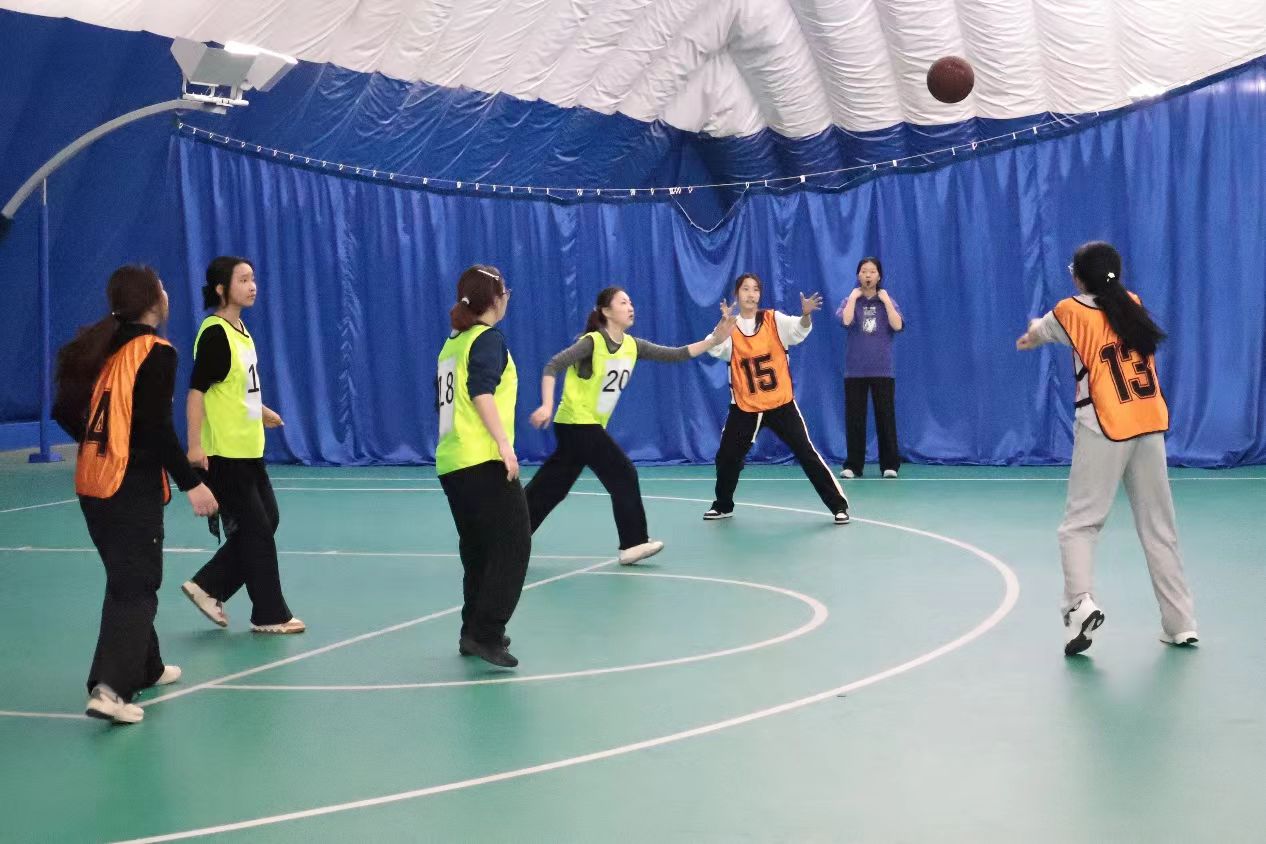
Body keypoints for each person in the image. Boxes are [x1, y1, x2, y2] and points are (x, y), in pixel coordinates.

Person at [53, 265, 219, 724]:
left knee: (127, 574)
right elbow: (157, 428)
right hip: (127, 486)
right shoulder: (155, 352)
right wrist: (192, 483)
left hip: (92, 483)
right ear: (152, 301)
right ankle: (110, 689)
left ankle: (148, 665)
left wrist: (97, 443)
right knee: (137, 586)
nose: (167, 293)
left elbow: (63, 409)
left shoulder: (103, 348)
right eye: (162, 287)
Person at [1016, 241, 1198, 655]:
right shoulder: (1132, 304)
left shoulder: (1069, 311)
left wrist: (1031, 334)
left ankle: (1080, 605)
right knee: (1160, 529)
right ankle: (1181, 623)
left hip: (1104, 423)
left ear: (1079, 278)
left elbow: (1040, 332)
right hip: (1148, 421)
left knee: (1080, 525)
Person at [526, 287, 735, 564]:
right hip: (577, 422)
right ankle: (633, 543)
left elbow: (676, 354)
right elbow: (553, 365)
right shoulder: (592, 342)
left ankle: (509, 533)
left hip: (583, 426)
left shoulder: (632, 345)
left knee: (552, 486)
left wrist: (714, 340)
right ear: (606, 311)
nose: (630, 307)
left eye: (631, 302)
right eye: (623, 302)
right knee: (622, 473)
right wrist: (546, 405)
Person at [181, 256, 304, 635]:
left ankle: (208, 586)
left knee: (267, 521)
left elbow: (233, 388)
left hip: (248, 449)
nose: (252, 286)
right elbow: (197, 393)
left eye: (253, 279)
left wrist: (261, 410)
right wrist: (194, 447)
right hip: (223, 453)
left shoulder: (241, 332)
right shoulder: (215, 333)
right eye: (243, 280)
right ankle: (269, 614)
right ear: (222, 289)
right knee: (257, 531)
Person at [436, 265, 531, 668]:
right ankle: (487, 632)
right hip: (481, 459)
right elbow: (481, 392)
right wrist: (504, 445)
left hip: (452, 461)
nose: (507, 297)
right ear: (494, 299)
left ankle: (472, 631)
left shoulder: (453, 343)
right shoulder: (488, 339)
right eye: (504, 291)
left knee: (478, 550)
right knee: (514, 544)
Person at [705, 273, 850, 523]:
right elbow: (714, 348)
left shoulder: (774, 320)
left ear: (760, 294)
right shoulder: (730, 326)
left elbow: (799, 331)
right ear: (737, 294)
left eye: (755, 289)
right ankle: (723, 505)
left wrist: (806, 315)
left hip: (780, 404)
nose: (751, 294)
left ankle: (838, 505)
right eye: (745, 289)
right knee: (727, 456)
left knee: (806, 453)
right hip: (745, 407)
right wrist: (722, 326)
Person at [838, 256, 904, 479]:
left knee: (886, 418)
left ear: (879, 276)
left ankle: (890, 465)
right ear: (858, 275)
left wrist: (886, 301)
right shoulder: (850, 300)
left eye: (872, 271)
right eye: (864, 271)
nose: (868, 275)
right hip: (855, 371)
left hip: (882, 370)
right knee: (855, 419)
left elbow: (897, 325)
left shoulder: (887, 300)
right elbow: (846, 321)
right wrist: (852, 298)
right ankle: (853, 465)